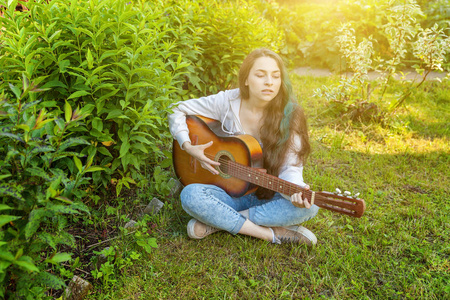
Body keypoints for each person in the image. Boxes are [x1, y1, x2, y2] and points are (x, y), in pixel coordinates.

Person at [168, 48, 319, 245]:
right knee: (190, 195)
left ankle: (216, 222)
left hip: (267, 195)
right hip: (228, 192)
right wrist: (188, 146)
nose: (269, 82)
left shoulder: (291, 116)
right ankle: (270, 234)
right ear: (246, 79)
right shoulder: (228, 102)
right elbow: (176, 109)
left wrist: (297, 191)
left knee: (311, 206)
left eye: (275, 76)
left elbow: (290, 168)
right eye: (260, 75)